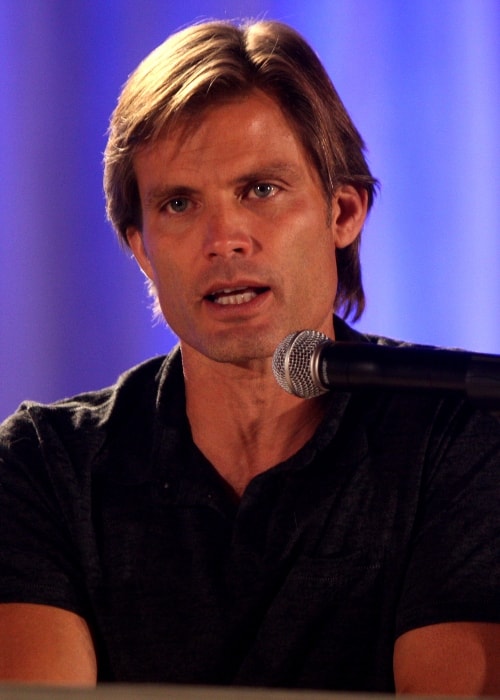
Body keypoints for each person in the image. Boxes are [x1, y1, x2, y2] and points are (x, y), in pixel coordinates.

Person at [0, 18, 499, 694]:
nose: (223, 237)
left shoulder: (457, 432)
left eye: (260, 190)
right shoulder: (44, 464)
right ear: (142, 248)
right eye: (178, 203)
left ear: (343, 212)